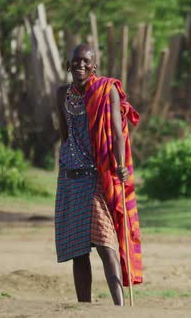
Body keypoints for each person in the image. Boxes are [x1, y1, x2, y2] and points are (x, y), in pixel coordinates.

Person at [54, 44, 143, 305]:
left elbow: (117, 131)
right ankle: (84, 307)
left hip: (96, 175)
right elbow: (64, 133)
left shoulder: (107, 90)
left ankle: (119, 306)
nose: (80, 65)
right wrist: (66, 159)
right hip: (70, 177)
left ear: (95, 67)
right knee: (78, 251)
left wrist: (120, 163)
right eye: (76, 61)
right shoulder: (61, 94)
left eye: (86, 61)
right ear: (68, 65)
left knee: (105, 244)